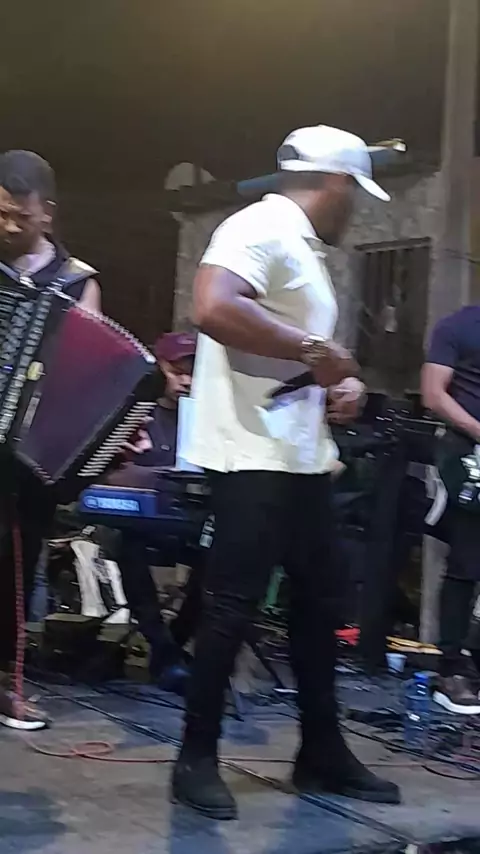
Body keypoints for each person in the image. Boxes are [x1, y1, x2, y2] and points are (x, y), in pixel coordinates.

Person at [171, 125, 400, 819]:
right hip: (252, 455)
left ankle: (321, 752)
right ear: (335, 185)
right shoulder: (259, 226)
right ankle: (195, 758)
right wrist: (316, 352)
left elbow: (304, 357)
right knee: (231, 607)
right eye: (352, 196)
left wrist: (340, 383)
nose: (352, 211)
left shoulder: (299, 244)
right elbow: (213, 305)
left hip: (299, 456)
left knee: (320, 602)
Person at [0, 150, 102, 728]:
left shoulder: (76, 282)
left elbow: (88, 371)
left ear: (48, 213)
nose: (8, 226)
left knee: (15, 569)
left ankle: (6, 682)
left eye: (20, 215)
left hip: (27, 455)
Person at [114, 332, 204, 694]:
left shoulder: (203, 420)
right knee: (128, 544)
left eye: (193, 373)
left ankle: (171, 647)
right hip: (137, 520)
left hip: (190, 520)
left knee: (222, 555)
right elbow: (112, 472)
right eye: (177, 371)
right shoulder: (134, 413)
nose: (186, 381)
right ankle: (163, 650)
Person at [422, 307, 480, 714]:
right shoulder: (458, 326)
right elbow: (433, 393)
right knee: (466, 562)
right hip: (468, 452)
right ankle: (451, 668)